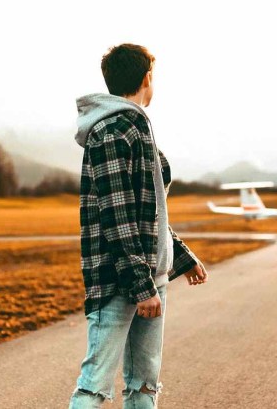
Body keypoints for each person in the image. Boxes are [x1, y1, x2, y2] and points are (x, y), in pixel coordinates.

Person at [69, 43, 209, 408]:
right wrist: (141, 286)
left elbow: (150, 212)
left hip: (151, 277)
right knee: (95, 384)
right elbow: (118, 217)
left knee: (145, 384)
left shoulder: (137, 127)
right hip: (121, 280)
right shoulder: (113, 130)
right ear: (147, 78)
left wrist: (181, 257)